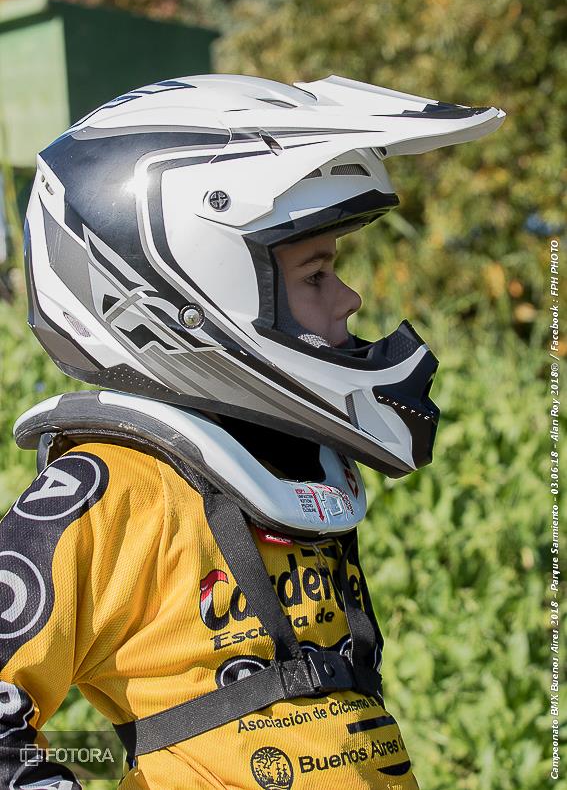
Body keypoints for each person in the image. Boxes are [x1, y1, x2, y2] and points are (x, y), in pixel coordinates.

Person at [0, 74, 505, 789]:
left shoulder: (288, 470)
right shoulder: (115, 491)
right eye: (316, 273)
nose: (349, 297)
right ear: (193, 296)